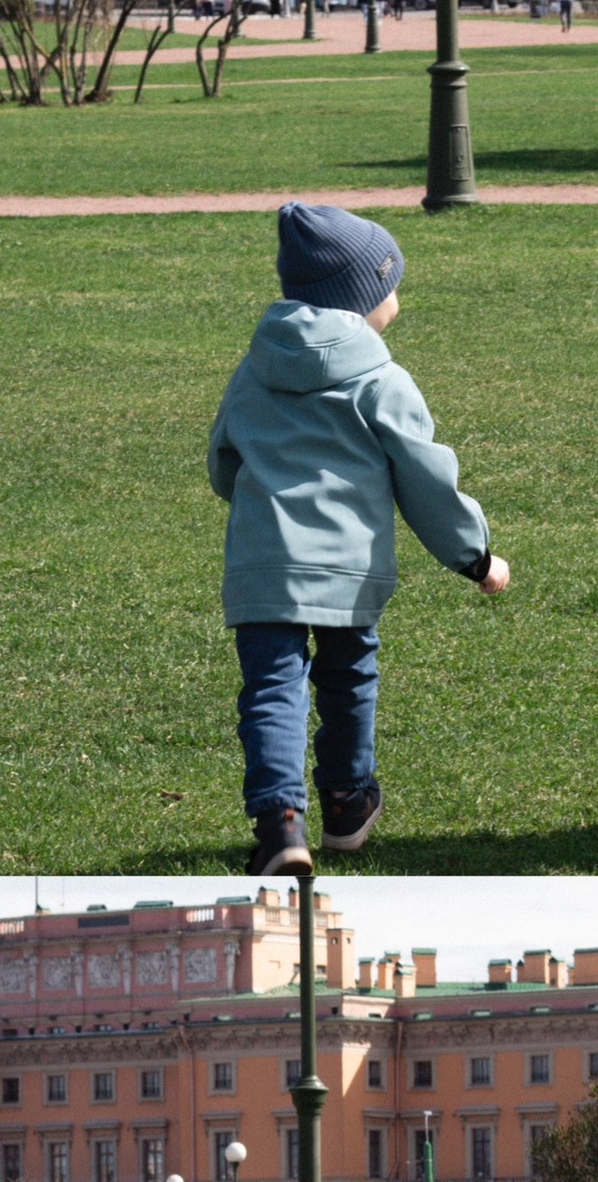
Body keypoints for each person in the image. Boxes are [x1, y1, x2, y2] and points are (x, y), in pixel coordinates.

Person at [207, 200, 511, 877]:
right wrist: (474, 556)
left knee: (271, 687)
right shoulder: (381, 381)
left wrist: (258, 511)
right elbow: (427, 483)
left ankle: (280, 822)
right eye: (389, 283)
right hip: (348, 573)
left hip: (262, 568)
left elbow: (222, 461)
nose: (396, 295)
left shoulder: (253, 370)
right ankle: (346, 800)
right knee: (348, 675)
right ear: (358, 298)